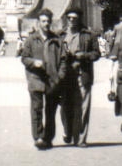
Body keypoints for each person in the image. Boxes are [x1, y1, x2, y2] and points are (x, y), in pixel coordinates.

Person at [51, 9, 99, 146]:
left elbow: (96, 53)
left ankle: (80, 138)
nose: (72, 20)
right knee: (64, 106)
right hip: (65, 76)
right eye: (69, 18)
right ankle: (68, 131)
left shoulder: (89, 35)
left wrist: (84, 55)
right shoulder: (60, 35)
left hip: (82, 74)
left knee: (83, 107)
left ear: (80, 19)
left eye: (75, 18)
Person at [19, 11, 59, 149]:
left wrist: (60, 75)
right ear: (38, 23)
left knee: (50, 111)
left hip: (52, 80)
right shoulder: (31, 39)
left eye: (48, 21)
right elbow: (24, 58)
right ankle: (38, 137)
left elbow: (63, 59)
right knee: (36, 109)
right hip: (35, 79)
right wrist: (33, 62)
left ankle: (48, 137)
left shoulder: (56, 39)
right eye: (43, 21)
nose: (46, 24)